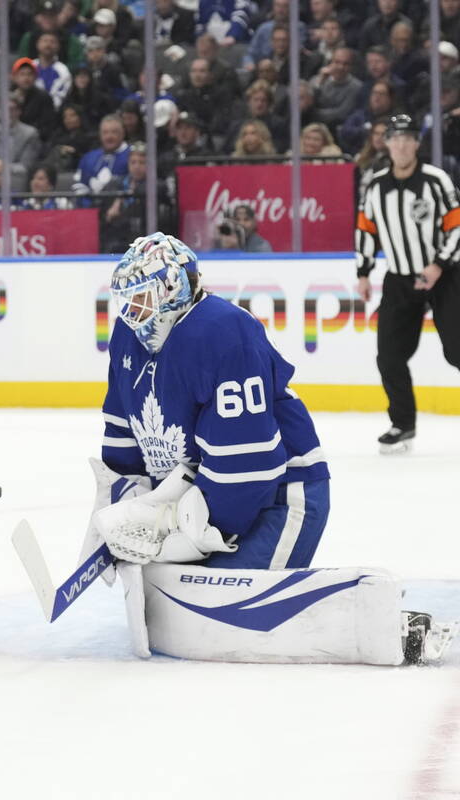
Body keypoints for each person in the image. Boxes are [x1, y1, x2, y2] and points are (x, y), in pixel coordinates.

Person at [81, 232, 451, 666]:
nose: (131, 313)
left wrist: (194, 539)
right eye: (126, 301)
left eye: (141, 299)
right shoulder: (128, 336)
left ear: (171, 291)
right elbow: (123, 429)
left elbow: (249, 468)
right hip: (205, 490)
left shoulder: (222, 332)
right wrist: (122, 508)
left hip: (281, 495)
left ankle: (389, 626)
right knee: (172, 599)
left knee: (219, 616)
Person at [355, 115, 460, 453]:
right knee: (389, 356)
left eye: (408, 138)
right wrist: (363, 271)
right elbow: (366, 229)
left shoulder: (436, 180)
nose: (401, 144)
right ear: (385, 143)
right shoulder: (376, 184)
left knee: (457, 350)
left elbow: (456, 226)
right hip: (399, 278)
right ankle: (403, 423)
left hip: (445, 276)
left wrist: (439, 264)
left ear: (417, 143)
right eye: (395, 138)